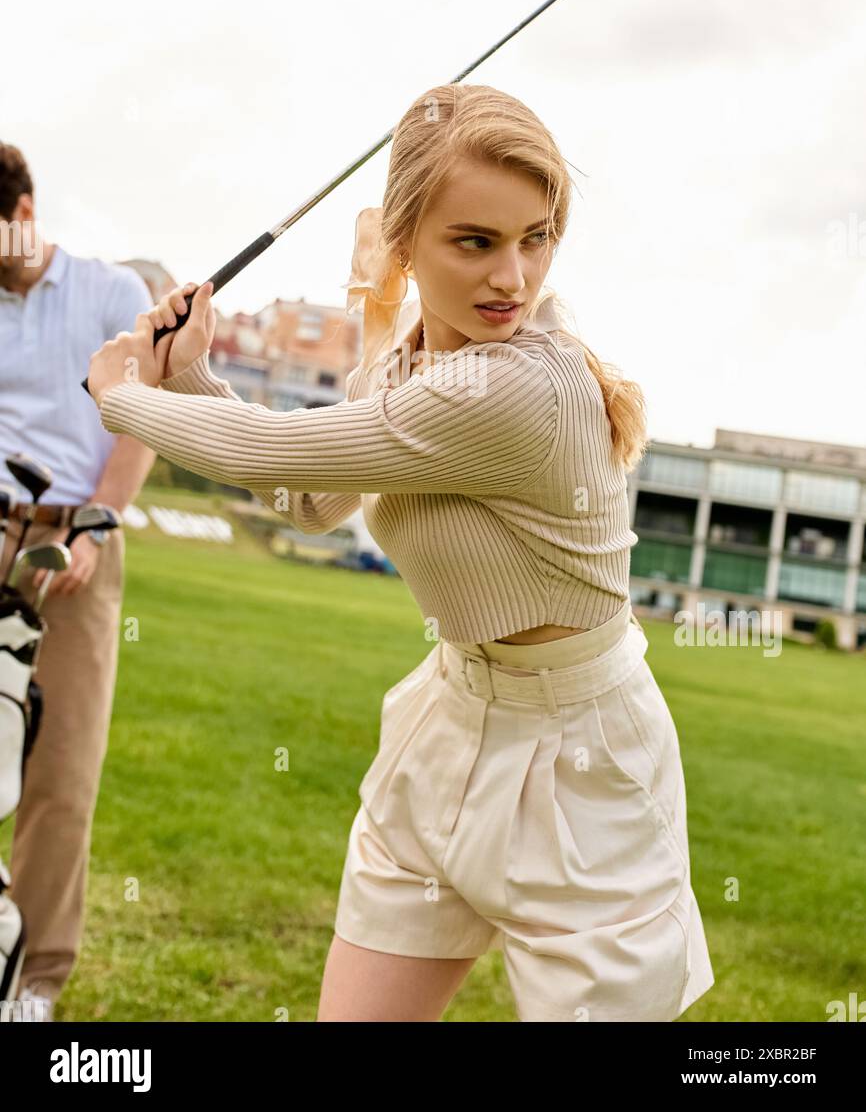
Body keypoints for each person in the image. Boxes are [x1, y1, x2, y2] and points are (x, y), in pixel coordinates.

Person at [84, 83, 715, 1023]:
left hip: (589, 770)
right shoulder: (412, 358)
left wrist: (122, 392)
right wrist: (194, 375)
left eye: (535, 238)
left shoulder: (515, 391)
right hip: (448, 728)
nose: (513, 277)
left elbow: (266, 451)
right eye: (476, 242)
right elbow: (311, 497)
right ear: (407, 241)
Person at [0, 142, 157, 1020]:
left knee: (59, 771)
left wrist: (99, 519)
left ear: (23, 212)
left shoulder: (110, 294)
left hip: (76, 540)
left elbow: (138, 423)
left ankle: (35, 980)